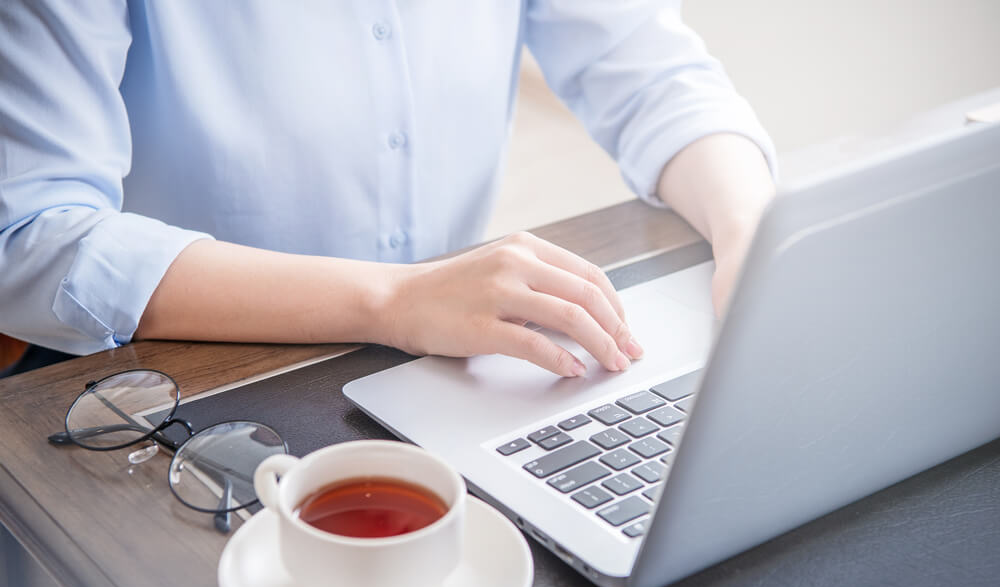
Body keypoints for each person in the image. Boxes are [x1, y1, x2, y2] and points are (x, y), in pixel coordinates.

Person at [0, 2, 776, 377]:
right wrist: (394, 301)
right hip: (178, 372)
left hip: (442, 352)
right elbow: (32, 235)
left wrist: (755, 238)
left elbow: (655, 78)